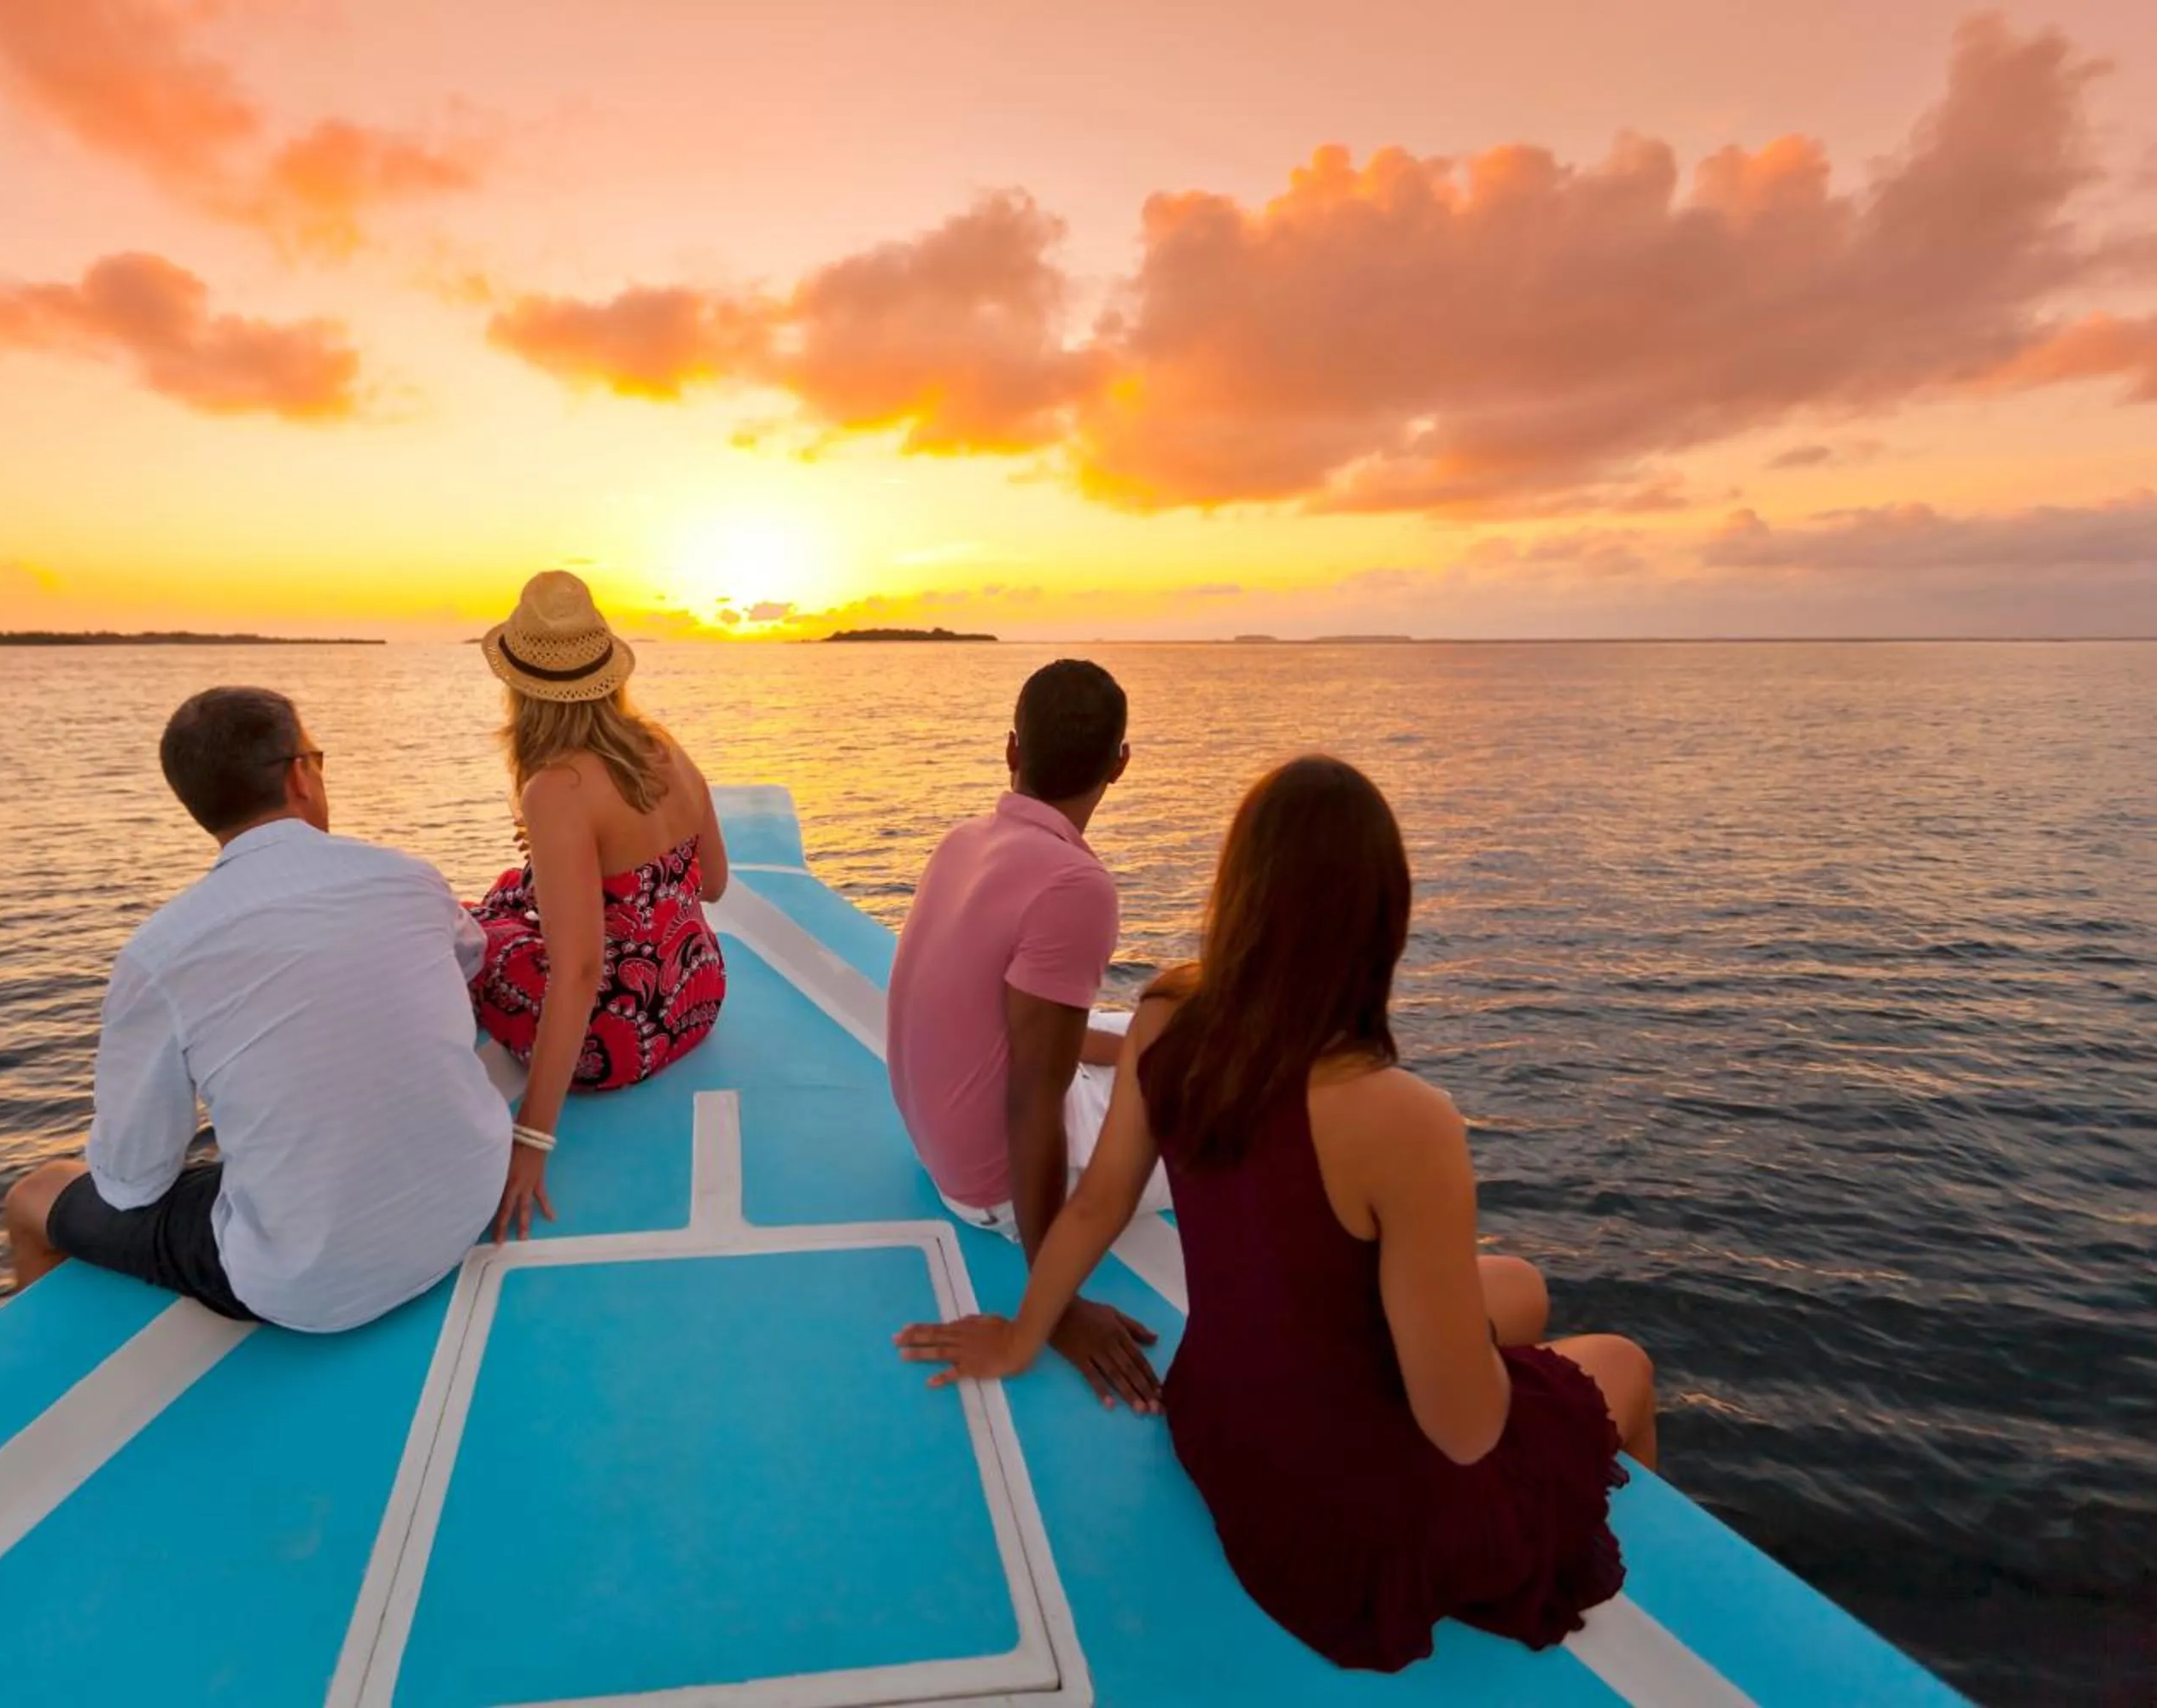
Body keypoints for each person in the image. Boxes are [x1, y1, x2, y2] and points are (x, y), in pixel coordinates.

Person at [897, 756, 1657, 1672]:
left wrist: (1025, 1335)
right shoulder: (1405, 1119)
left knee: (1524, 1285)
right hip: (1350, 1529)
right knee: (1623, 1364)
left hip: (1222, 1432)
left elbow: (1097, 1200)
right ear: (1384, 917)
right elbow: (1464, 1429)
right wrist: (1486, 1357)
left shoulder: (1171, 1016)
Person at [2, 687, 512, 1332]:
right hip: (473, 1200)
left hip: (316, 1285)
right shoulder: (406, 875)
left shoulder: (160, 953)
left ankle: (57, 1396)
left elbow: (134, 1180)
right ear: (301, 774)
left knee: (34, 1195)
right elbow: (468, 962)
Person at [886, 659, 1162, 1413]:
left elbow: (1037, 1037)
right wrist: (1056, 1304)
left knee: (1151, 1030)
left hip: (935, 1139)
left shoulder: (964, 840)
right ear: (1120, 765)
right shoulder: (1076, 886)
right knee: (1222, 1087)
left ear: (1013, 749)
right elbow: (1034, 1102)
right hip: (992, 1187)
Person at [468, 570, 729, 1242]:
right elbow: (713, 884)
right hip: (696, 995)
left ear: (521, 688)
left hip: (617, 1042)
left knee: (478, 935)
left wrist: (532, 1139)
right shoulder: (663, 744)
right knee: (512, 891)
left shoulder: (557, 788)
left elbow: (579, 973)